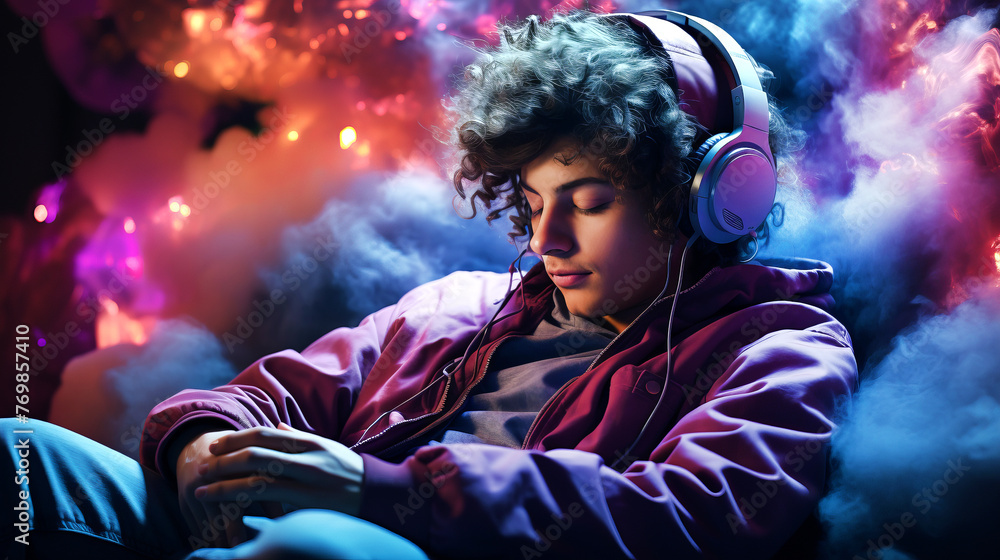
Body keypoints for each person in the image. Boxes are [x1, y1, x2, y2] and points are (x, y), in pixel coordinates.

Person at [2, 8, 858, 560]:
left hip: (362, 547)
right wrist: (198, 446)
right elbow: (265, 400)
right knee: (21, 452)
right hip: (290, 533)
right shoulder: (452, 305)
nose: (545, 236)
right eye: (530, 200)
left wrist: (384, 493)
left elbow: (686, 520)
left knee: (315, 550)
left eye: (588, 202)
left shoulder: (780, 351)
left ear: (707, 192)